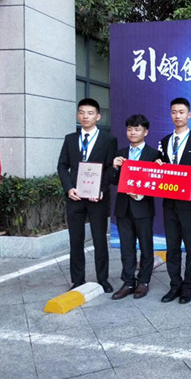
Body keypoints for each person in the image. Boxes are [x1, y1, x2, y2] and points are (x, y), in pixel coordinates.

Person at [57, 98, 117, 292]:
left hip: (97, 198)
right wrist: (69, 188)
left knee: (100, 239)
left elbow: (110, 168)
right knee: (76, 240)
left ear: (98, 116)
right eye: (82, 112)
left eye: (90, 113)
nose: (85, 116)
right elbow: (62, 165)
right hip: (75, 197)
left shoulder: (108, 140)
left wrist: (101, 189)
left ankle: (103, 279)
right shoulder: (70, 139)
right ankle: (77, 280)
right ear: (78, 115)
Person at [157, 98, 191, 304]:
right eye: (174, 112)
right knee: (172, 246)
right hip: (169, 202)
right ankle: (174, 285)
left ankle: (188, 287)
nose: (177, 115)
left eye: (181, 112)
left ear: (189, 115)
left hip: (190, 203)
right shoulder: (164, 142)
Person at [109, 115, 161, 300]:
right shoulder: (120, 153)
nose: (133, 132)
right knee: (126, 247)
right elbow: (113, 181)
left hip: (143, 207)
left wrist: (158, 172)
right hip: (123, 208)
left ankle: (144, 281)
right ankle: (128, 282)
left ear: (145, 132)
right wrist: (114, 168)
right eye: (130, 129)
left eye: (137, 129)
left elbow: (158, 182)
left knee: (146, 246)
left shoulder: (154, 155)